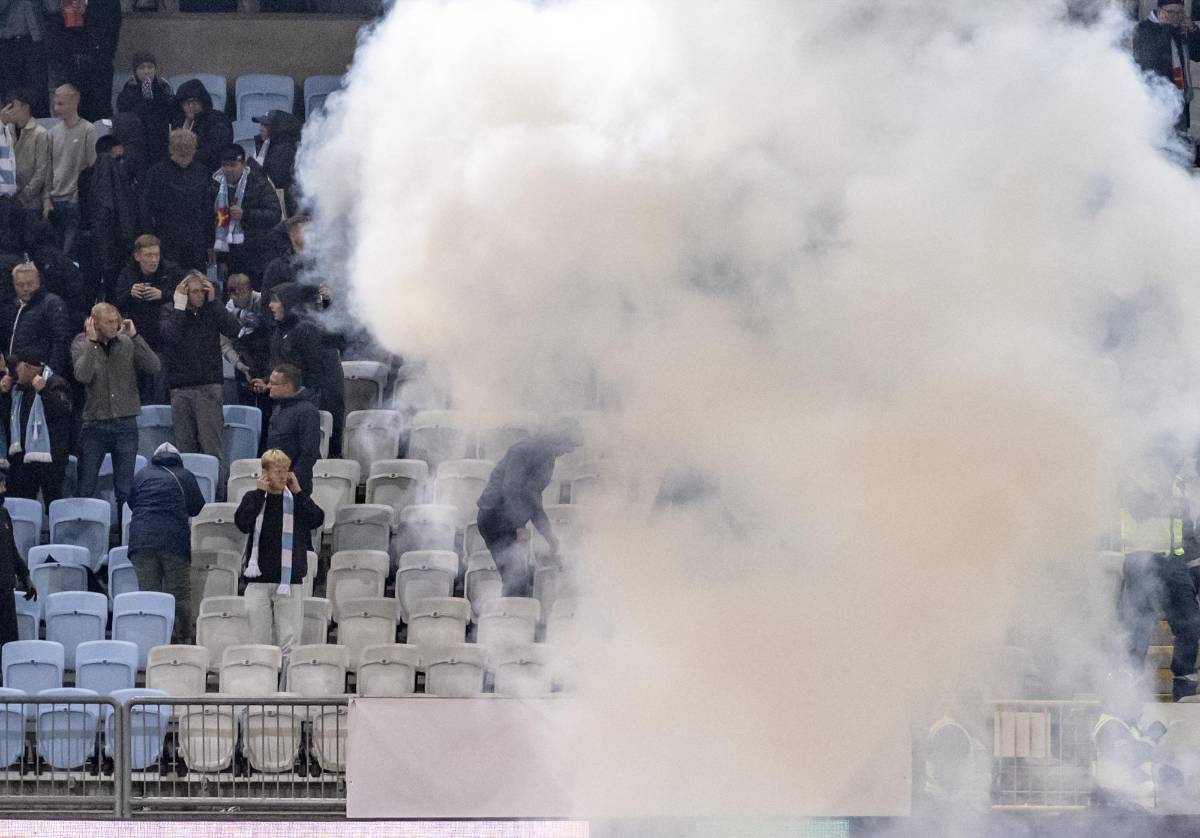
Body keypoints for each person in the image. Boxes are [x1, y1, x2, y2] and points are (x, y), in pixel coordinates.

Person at [1117, 442, 1200, 701]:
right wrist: (1166, 495)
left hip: (1173, 563)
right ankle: (1128, 687)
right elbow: (1138, 511)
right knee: (1139, 625)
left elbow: (1184, 530)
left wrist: (1194, 567)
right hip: (1142, 560)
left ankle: (1184, 685)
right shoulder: (1132, 474)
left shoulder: (1176, 484)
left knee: (1191, 624)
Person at [234, 448, 323, 680]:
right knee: (259, 643)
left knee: (289, 643)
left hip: (288, 581)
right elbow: (242, 523)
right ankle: (260, 689)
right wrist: (258, 495)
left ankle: (284, 695)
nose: (282, 476)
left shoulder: (295, 499)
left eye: (286, 470)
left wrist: (299, 492)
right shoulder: (253, 498)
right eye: (277, 471)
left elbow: (316, 519)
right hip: (258, 581)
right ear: (265, 473)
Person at [71, 301, 160, 519]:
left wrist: (136, 337)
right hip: (95, 424)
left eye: (116, 321)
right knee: (86, 485)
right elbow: (82, 376)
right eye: (108, 322)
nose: (113, 326)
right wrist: (92, 344)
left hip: (125, 423)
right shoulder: (80, 345)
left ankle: (125, 540)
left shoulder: (128, 343)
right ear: (95, 324)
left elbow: (154, 366)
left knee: (125, 489)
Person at [475, 419, 583, 596]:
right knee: (515, 578)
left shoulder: (548, 459)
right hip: (495, 517)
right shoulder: (522, 451)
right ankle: (507, 617)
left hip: (511, 521)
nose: (564, 452)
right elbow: (511, 487)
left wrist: (549, 535)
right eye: (565, 447)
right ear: (556, 439)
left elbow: (534, 499)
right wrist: (518, 526)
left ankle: (511, 613)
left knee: (518, 578)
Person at [126, 441, 205, 643]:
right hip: (174, 542)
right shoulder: (185, 476)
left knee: (149, 595)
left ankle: (154, 639)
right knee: (179, 592)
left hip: (141, 542)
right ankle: (183, 638)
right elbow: (197, 507)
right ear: (178, 459)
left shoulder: (142, 475)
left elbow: (131, 502)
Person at [160, 270, 239, 463]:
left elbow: (234, 330)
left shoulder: (212, 310)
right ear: (183, 293)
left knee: (212, 448)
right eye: (194, 291)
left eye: (202, 291)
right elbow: (171, 337)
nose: (199, 295)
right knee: (185, 449)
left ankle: (216, 492)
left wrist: (214, 303)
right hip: (179, 388)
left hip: (208, 387)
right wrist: (180, 308)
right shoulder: (170, 310)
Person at [263, 281, 343, 454]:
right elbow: (278, 365)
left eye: (275, 300)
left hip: (304, 403)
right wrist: (267, 382)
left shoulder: (305, 329)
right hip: (282, 403)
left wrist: (295, 390)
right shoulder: (278, 331)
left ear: (288, 302)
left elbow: (313, 371)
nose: (270, 305)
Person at [0, 351, 70, 508]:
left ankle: (56, 532)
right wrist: (3, 394)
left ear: (28, 367)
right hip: (23, 460)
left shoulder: (55, 383)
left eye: (17, 370)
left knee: (55, 504)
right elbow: (6, 418)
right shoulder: (17, 389)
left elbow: (63, 412)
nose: (14, 375)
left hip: (52, 458)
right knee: (22, 505)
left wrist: (44, 391)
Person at [139, 129, 211, 273]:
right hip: (167, 240)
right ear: (171, 149)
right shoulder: (156, 173)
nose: (184, 157)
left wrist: (210, 243)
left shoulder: (202, 172)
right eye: (180, 152)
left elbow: (208, 210)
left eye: (187, 152)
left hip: (194, 240)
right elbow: (146, 209)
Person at [79, 132, 139, 300]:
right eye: (118, 158)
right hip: (116, 241)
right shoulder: (122, 179)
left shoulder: (85, 177)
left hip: (92, 241)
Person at [1133, 1, 1200, 153]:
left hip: (1180, 98)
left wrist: (1193, 29)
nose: (1177, 17)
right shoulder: (1144, 29)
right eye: (1172, 12)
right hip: (1156, 100)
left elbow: (1198, 54)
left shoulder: (1178, 30)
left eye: (1180, 13)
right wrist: (1163, 27)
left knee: (1179, 147)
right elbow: (1149, 60)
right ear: (1160, 11)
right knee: (1159, 147)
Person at [211, 144, 281, 286]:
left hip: (258, 256)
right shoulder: (215, 187)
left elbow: (275, 214)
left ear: (242, 164)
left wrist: (246, 215)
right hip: (232, 258)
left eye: (233, 165)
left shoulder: (259, 183)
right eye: (225, 165)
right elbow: (215, 224)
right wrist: (221, 260)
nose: (228, 169)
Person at [47, 84, 96, 257]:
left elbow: (91, 167)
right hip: (54, 199)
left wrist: (77, 196)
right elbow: (48, 168)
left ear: (75, 100)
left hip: (74, 200)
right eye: (55, 104)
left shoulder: (88, 130)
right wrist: (47, 198)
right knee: (54, 250)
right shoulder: (52, 133)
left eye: (61, 104)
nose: (56, 108)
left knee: (68, 252)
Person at [0, 262, 71, 379]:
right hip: (14, 379)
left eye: (30, 283)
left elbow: (61, 340)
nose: (26, 288)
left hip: (40, 379)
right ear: (13, 284)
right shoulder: (11, 307)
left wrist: (49, 374)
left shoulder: (52, 303)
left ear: (38, 282)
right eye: (20, 284)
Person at [262, 364, 320, 493]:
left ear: (287, 386)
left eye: (273, 383)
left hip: (295, 486)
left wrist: (290, 479)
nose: (268, 386)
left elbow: (309, 452)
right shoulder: (278, 408)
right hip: (274, 483)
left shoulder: (307, 411)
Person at [221, 271, 271, 412]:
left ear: (250, 290)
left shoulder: (264, 302)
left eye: (243, 292)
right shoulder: (227, 313)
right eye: (236, 294)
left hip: (266, 360)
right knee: (245, 408)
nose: (239, 297)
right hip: (243, 364)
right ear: (231, 294)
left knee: (267, 409)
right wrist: (238, 364)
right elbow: (224, 344)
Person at [0, 91, 50, 229]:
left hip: (30, 202)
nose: (9, 111)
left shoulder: (40, 133)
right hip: (8, 198)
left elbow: (42, 171)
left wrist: (23, 197)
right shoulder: (6, 130)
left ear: (25, 107)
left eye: (13, 106)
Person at [0, 460, 35, 648]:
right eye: (2, 484)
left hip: (5, 590)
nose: (5, 488)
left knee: (8, 643)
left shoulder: (4, 515)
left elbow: (12, 550)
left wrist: (25, 576)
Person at [115, 52, 173, 166]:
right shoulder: (127, 92)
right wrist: (144, 100)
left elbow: (169, 112)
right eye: (141, 68)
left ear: (155, 70)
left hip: (160, 142)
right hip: (136, 143)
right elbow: (125, 118)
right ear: (135, 71)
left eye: (150, 67)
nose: (146, 71)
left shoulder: (164, 88)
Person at [0, 0, 53, 117]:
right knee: (11, 97)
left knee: (39, 96)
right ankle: (13, 133)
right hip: (7, 43)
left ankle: (41, 133)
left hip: (34, 41)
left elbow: (52, 7)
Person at [170, 79, 232, 175]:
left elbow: (216, 150)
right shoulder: (179, 122)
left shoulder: (218, 119)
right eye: (186, 103)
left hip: (209, 171)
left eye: (194, 101)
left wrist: (186, 156)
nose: (191, 106)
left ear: (203, 101)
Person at [251, 110, 301, 216]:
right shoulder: (267, 145)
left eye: (266, 125)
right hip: (272, 203)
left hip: (284, 208)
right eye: (261, 124)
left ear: (278, 128)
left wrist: (250, 164)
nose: (261, 128)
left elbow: (275, 180)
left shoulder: (285, 150)